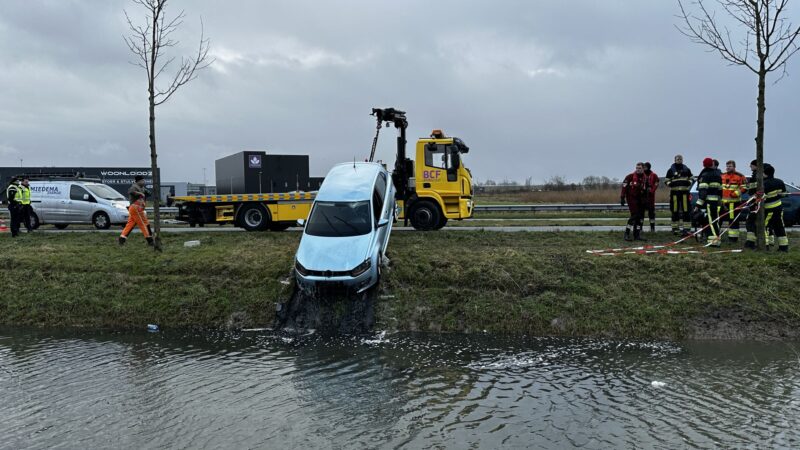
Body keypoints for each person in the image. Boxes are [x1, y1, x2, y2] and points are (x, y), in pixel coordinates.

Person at [746, 164, 788, 251]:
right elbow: (783, 194)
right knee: (779, 227)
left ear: (765, 174)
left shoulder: (763, 184)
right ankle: (784, 248)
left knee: (763, 227)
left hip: (768, 209)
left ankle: (765, 246)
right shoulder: (780, 181)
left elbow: (760, 198)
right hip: (779, 208)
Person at [695, 157, 723, 247]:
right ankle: (715, 239)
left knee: (710, 221)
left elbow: (703, 192)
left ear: (704, 165)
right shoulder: (717, 174)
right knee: (715, 221)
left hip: (708, 202)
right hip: (715, 202)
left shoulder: (705, 175)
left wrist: (698, 205)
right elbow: (720, 190)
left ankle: (714, 242)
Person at [664, 154, 693, 235]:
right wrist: (670, 184)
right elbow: (666, 180)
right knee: (675, 210)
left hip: (684, 193)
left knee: (686, 211)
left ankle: (686, 229)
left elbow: (692, 178)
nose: (679, 160)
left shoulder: (687, 169)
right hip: (674, 193)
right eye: (678, 159)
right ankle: (675, 229)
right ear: (675, 160)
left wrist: (689, 182)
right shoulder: (670, 170)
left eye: (680, 159)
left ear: (682, 160)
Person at [720, 161, 747, 242]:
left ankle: (733, 238)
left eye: (730, 166)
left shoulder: (740, 176)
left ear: (734, 167)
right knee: (719, 220)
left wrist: (735, 193)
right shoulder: (722, 175)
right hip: (722, 203)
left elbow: (745, 187)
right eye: (727, 166)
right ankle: (717, 236)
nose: (728, 167)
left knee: (733, 221)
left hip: (734, 203)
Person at [621, 162, 648, 241]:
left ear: (643, 169)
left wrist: (646, 201)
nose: (638, 170)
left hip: (641, 199)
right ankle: (627, 233)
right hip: (631, 198)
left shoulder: (645, 178)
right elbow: (624, 187)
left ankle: (637, 234)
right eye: (637, 168)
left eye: (639, 168)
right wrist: (622, 197)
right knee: (634, 216)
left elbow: (646, 190)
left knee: (640, 218)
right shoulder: (630, 177)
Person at [643, 162, 659, 232]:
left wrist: (652, 190)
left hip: (650, 197)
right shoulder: (641, 174)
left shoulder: (654, 175)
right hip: (642, 197)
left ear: (649, 167)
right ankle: (640, 228)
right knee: (641, 213)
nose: (644, 168)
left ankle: (652, 228)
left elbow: (656, 183)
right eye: (644, 167)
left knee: (651, 213)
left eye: (645, 167)